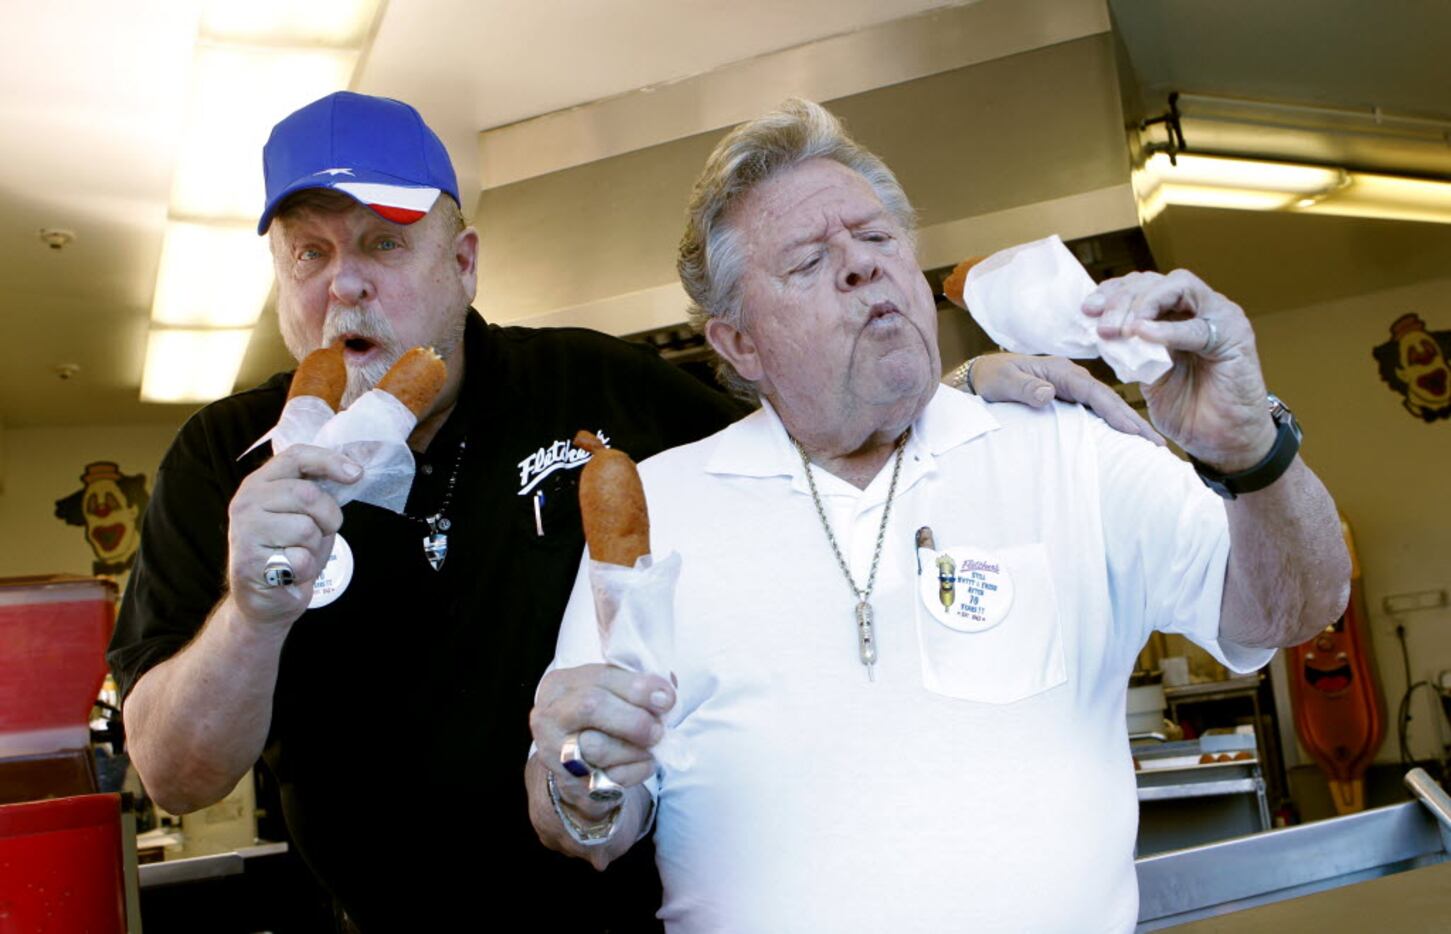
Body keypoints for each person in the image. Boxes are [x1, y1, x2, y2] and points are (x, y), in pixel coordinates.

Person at [107, 90, 1151, 930]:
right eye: (310, 253)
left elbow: (807, 426)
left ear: (462, 263)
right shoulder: (217, 463)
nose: (344, 288)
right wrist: (253, 610)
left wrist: (949, 391)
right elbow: (175, 772)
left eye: (383, 245)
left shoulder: (589, 387)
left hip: (631, 907)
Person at [526, 99, 1350, 932]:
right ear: (738, 344)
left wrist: (1252, 453)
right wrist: (577, 777)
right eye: (809, 261)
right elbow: (591, 822)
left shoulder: (1066, 447)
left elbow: (1294, 608)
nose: (862, 266)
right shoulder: (663, 506)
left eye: (877, 238)